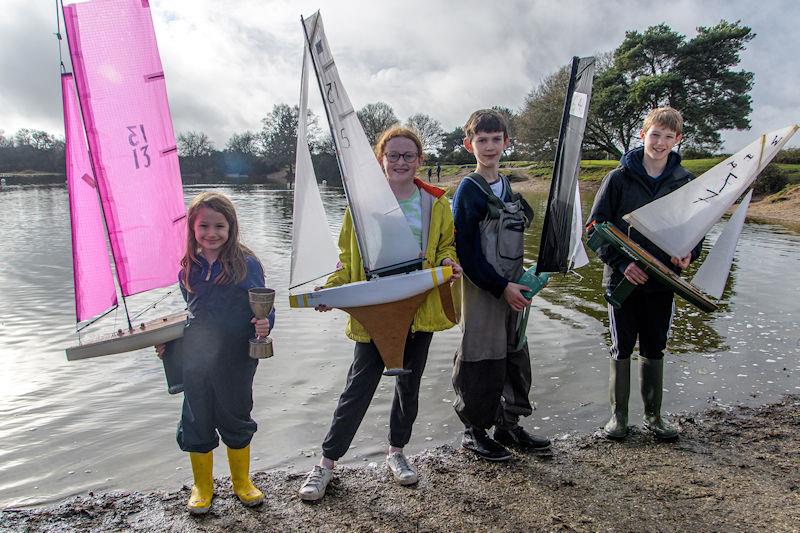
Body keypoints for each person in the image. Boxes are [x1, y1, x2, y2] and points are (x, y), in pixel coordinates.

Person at [298, 126, 462, 501]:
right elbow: (346, 260)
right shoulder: (359, 205)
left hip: (419, 307)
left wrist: (448, 262)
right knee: (359, 385)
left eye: (408, 156)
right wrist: (332, 289)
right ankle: (326, 463)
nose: (400, 162)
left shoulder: (435, 203)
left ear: (420, 160)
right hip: (375, 309)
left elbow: (445, 246)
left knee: (409, 384)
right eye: (393, 155)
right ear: (380, 160)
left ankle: (397, 452)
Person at [586, 107, 702, 441]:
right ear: (643, 134)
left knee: (655, 346)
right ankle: (618, 419)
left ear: (678, 139)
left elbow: (696, 230)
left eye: (668, 136)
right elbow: (595, 229)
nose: (661, 142)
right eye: (655, 134)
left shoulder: (684, 181)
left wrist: (688, 255)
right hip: (622, 281)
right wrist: (623, 263)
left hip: (663, 282)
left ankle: (654, 418)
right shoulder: (618, 178)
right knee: (622, 347)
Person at [156, 191, 275, 514]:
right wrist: (168, 340)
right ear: (192, 228)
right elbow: (191, 314)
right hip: (196, 357)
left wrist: (264, 325)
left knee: (235, 416)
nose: (211, 233)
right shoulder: (187, 266)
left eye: (219, 226)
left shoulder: (246, 263)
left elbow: (265, 308)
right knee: (196, 418)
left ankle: (241, 483)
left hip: (236, 357)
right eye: (203, 226)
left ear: (231, 227)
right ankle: (203, 486)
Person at [451, 109, 550, 462]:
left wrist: (520, 283)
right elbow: (467, 254)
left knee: (513, 354)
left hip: (514, 286)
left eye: (496, 140)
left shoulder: (508, 186)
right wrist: (500, 287)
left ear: (506, 143)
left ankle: (508, 426)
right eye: (482, 140)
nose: (489, 147)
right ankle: (474, 432)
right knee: (481, 357)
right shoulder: (468, 190)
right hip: (482, 290)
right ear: (469, 145)